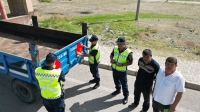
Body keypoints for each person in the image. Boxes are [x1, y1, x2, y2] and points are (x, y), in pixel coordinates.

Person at [110, 37, 133, 104]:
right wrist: (111, 59)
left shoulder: (128, 52)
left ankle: (126, 96)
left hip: (122, 71)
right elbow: (111, 55)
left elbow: (131, 62)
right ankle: (118, 89)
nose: (118, 45)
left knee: (124, 84)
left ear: (124, 43)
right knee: (116, 80)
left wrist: (122, 64)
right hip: (114, 68)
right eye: (118, 43)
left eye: (120, 44)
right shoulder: (115, 48)